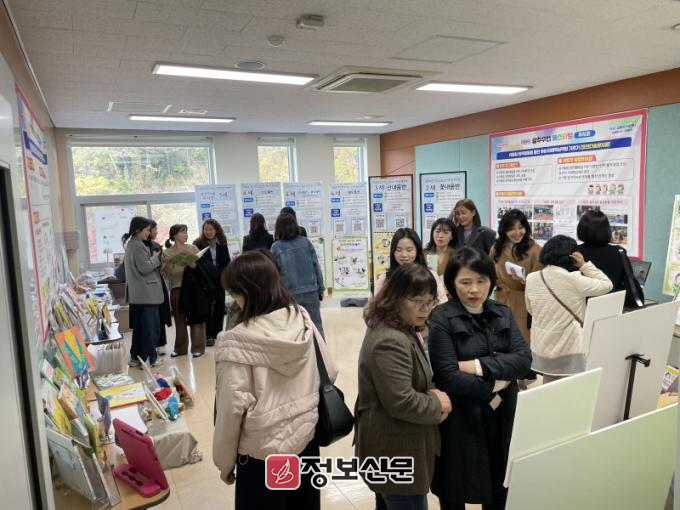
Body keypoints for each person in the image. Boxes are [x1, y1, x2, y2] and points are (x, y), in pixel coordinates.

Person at [213, 251, 337, 510]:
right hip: (306, 442)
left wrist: (224, 464)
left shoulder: (236, 342)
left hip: (262, 455)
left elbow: (229, 412)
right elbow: (330, 370)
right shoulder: (301, 318)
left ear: (246, 292)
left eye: (234, 292)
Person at [428, 247, 532, 510]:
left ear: (491, 281)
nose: (474, 289)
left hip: (501, 417)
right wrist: (497, 381)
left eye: (481, 281)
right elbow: (448, 375)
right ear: (452, 283)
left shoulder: (502, 312)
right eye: (465, 282)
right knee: (455, 488)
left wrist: (476, 365)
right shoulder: (441, 318)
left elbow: (523, 360)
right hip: (459, 420)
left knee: (500, 487)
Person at [356, 263, 452, 510]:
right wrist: (437, 403)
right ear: (396, 297)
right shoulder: (390, 340)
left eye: (430, 302)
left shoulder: (397, 326)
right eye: (417, 301)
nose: (425, 309)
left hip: (391, 446)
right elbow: (401, 401)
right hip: (395, 450)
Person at [525, 235, 613, 383]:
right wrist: (584, 265)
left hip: (543, 343)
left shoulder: (532, 278)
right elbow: (607, 284)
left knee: (549, 383)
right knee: (570, 386)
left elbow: (530, 309)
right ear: (572, 256)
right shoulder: (574, 280)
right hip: (569, 344)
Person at [490, 209, 542, 343]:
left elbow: (541, 282)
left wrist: (525, 281)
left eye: (521, 227)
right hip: (501, 300)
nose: (517, 232)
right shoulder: (496, 248)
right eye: (512, 229)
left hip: (524, 303)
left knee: (521, 341)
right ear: (504, 230)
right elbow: (490, 273)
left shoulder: (535, 250)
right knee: (501, 342)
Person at [271, 213, 326, 337]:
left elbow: (274, 275)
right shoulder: (305, 242)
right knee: (316, 326)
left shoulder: (276, 247)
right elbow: (316, 266)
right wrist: (320, 288)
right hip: (310, 291)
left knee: (293, 329)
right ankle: (320, 349)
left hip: (289, 294)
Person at [576, 210, 643, 305]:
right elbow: (629, 282)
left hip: (582, 307)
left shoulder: (576, 253)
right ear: (607, 230)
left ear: (581, 229)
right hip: (613, 306)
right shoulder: (619, 252)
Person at [122, 216, 164, 368]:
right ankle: (152, 358)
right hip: (147, 294)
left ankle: (136, 358)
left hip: (139, 295)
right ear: (138, 230)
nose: (149, 233)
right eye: (147, 230)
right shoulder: (138, 246)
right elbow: (145, 268)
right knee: (151, 329)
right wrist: (155, 258)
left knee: (140, 329)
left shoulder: (131, 245)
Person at [161, 224, 207, 358]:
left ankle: (198, 347)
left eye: (186, 232)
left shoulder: (193, 248)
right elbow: (166, 273)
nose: (186, 235)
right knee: (179, 319)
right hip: (177, 288)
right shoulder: (167, 252)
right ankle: (180, 348)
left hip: (193, 288)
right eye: (183, 232)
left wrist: (193, 264)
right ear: (174, 235)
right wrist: (172, 260)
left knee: (196, 318)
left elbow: (201, 267)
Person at [374, 228, 447, 302]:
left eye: (409, 250)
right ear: (393, 252)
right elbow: (376, 305)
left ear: (417, 250)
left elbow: (442, 302)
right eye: (399, 250)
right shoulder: (385, 279)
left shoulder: (431, 275)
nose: (404, 255)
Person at [194, 219, 231, 346]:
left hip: (219, 279)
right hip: (205, 279)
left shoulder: (222, 241)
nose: (208, 232)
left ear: (216, 230)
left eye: (211, 229)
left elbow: (226, 261)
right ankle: (208, 335)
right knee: (208, 308)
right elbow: (198, 263)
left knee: (219, 307)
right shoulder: (198, 243)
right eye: (206, 229)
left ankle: (217, 333)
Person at [145, 220, 171, 355]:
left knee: (160, 313)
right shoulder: (140, 246)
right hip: (147, 284)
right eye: (154, 229)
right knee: (150, 316)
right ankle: (152, 344)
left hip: (157, 282)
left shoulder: (156, 246)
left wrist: (164, 261)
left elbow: (161, 268)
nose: (156, 232)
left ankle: (161, 343)